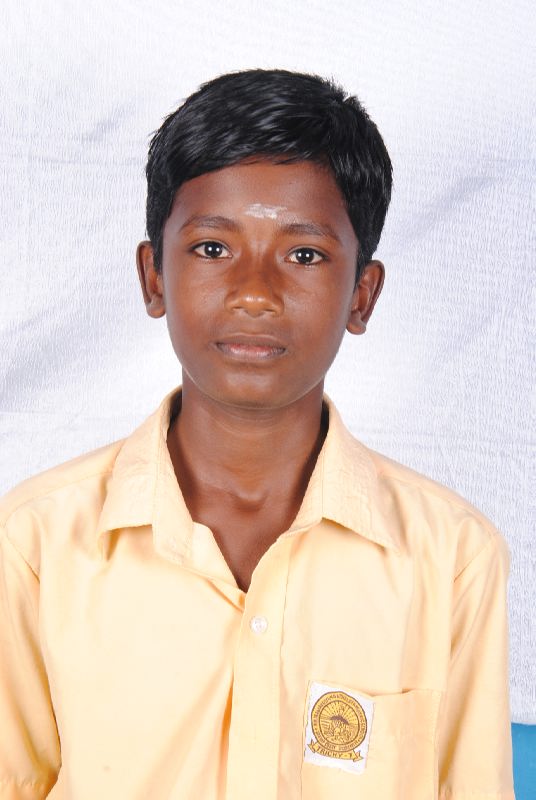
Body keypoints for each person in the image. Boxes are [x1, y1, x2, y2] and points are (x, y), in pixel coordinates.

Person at [0, 69, 515, 799]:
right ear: (153, 277)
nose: (253, 293)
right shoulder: (35, 544)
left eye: (304, 255)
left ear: (362, 295)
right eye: (213, 248)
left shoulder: (451, 557)